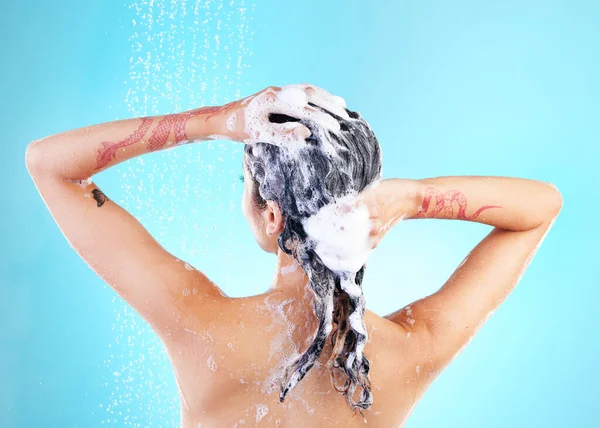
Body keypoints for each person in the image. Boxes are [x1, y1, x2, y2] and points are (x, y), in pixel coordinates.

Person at [25, 84, 563, 427]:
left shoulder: (196, 323)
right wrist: (413, 197)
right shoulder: (410, 350)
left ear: (273, 217)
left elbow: (50, 164)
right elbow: (541, 207)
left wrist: (219, 119)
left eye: (244, 183)